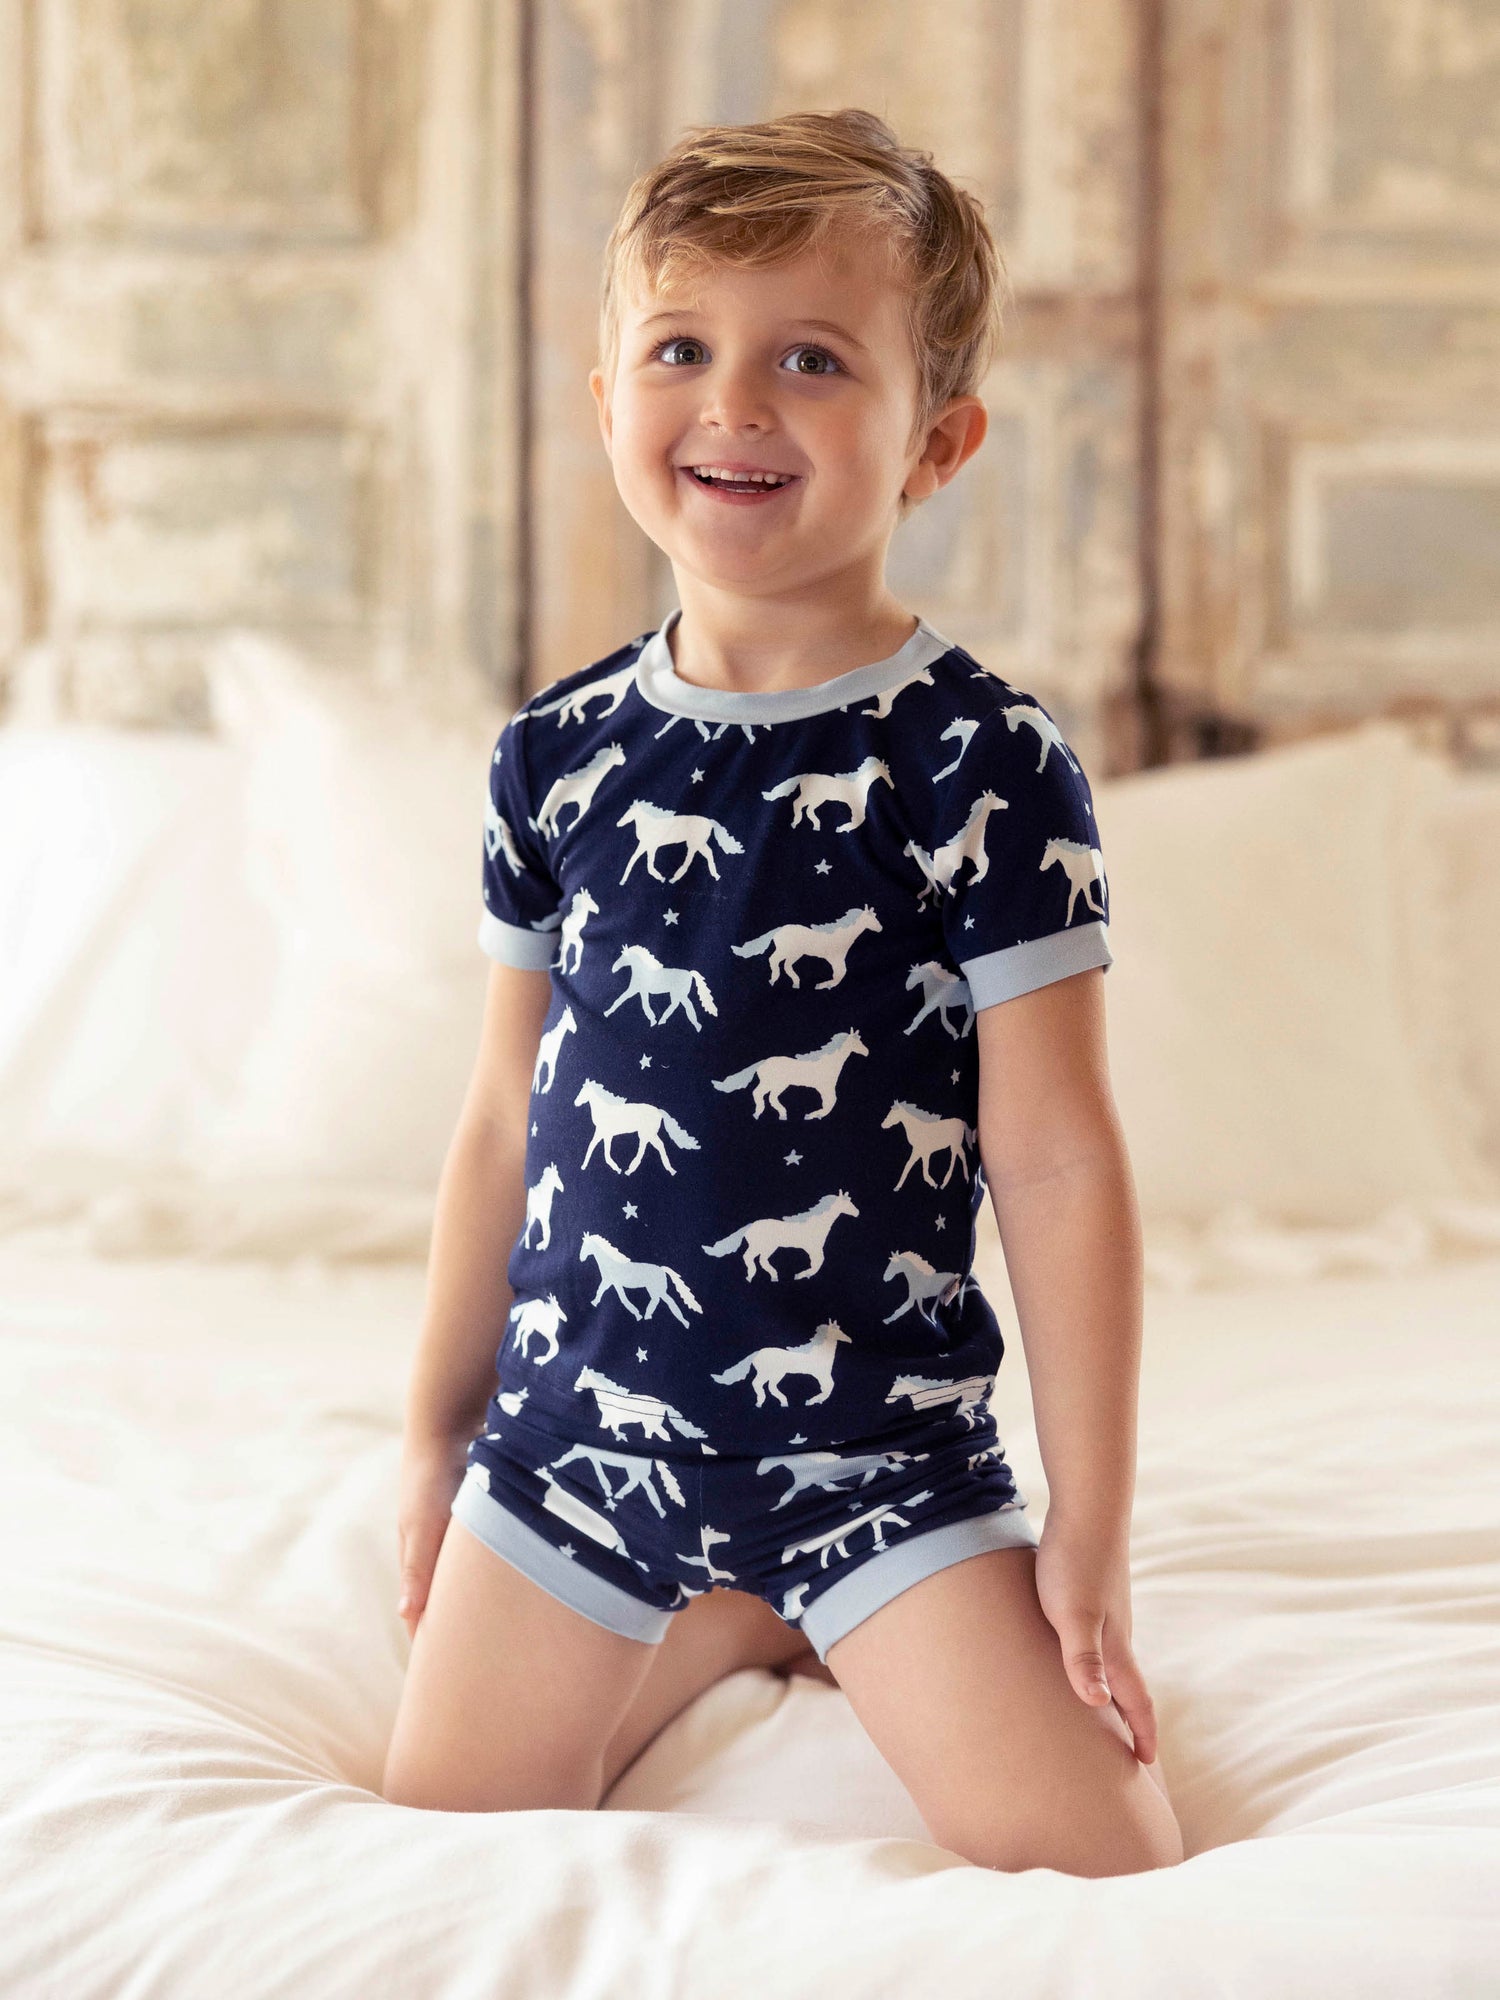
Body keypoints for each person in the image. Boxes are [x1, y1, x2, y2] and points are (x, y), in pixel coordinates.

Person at [382, 107, 1184, 1878]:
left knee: (1107, 1861)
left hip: (881, 1461)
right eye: (682, 350)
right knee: (435, 1849)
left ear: (936, 442)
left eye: (812, 359)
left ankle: (789, 1600)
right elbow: (506, 1119)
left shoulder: (984, 763)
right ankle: (727, 1614)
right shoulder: (553, 757)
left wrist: (1091, 1529)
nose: (735, 403)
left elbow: (1057, 1157)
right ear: (608, 397)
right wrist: (437, 1438)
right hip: (573, 1450)